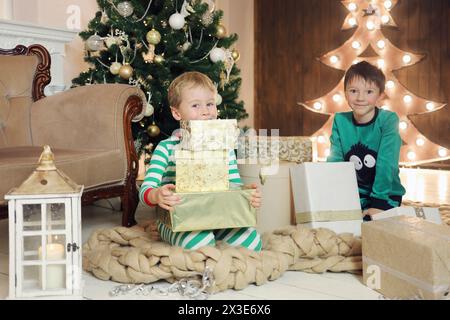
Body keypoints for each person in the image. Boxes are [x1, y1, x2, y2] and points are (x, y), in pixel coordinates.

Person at [139, 71, 263, 251]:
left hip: (218, 217)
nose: (206, 111)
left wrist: (246, 195)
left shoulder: (224, 147)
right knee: (199, 244)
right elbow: (145, 189)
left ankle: (219, 243)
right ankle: (173, 234)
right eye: (196, 105)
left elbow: (233, 183)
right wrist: (156, 195)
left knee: (251, 241)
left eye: (210, 104)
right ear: (177, 113)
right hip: (178, 219)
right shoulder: (166, 148)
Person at [327, 61, 406, 219]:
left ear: (380, 95)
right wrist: (333, 194)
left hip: (385, 195)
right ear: (345, 93)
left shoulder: (388, 120)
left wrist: (378, 204)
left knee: (375, 230)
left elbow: (387, 163)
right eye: (354, 91)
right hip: (354, 194)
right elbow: (335, 161)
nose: (360, 98)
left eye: (369, 91)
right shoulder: (340, 120)